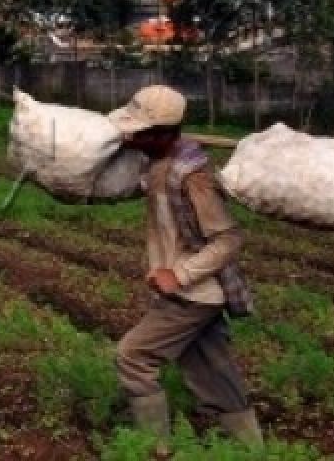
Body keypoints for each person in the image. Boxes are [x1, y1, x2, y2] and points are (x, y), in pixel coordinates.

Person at [108, 85, 262, 453]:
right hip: (194, 293)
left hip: (192, 294)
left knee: (134, 356)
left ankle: (155, 448)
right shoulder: (160, 161)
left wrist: (178, 274)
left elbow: (228, 239)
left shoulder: (193, 175)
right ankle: (251, 450)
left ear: (162, 134)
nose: (131, 137)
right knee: (213, 373)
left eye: (139, 132)